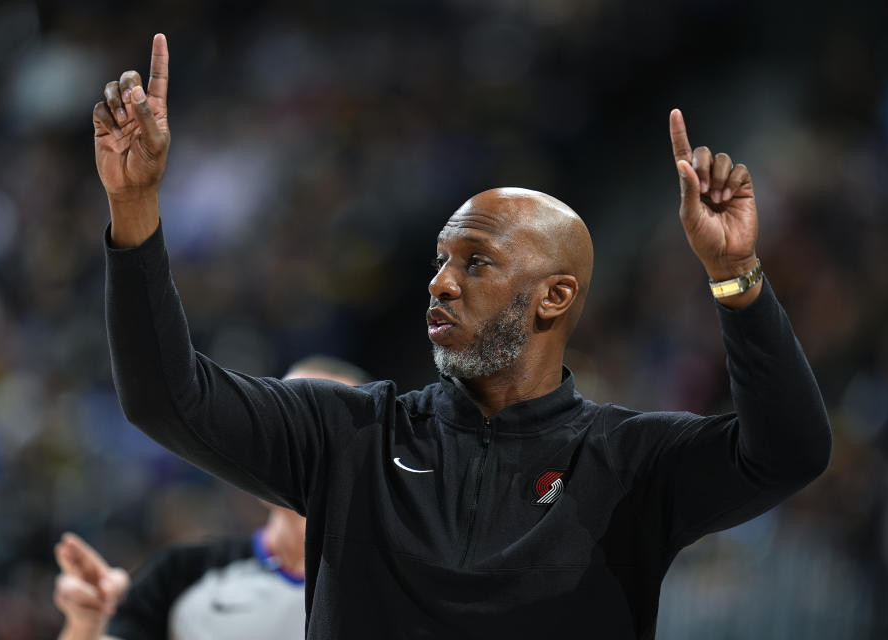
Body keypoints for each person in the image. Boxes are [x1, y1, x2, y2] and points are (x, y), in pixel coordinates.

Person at [92, 34, 831, 639]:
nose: (440, 283)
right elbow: (166, 397)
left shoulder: (631, 464)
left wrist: (735, 273)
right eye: (440, 260)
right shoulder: (346, 435)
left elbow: (790, 451)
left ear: (555, 297)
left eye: (474, 262)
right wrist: (133, 209)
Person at [53, 357, 369, 640]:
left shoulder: (396, 582)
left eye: (320, 429)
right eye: (285, 421)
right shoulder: (183, 573)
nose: (296, 445)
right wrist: (86, 625)